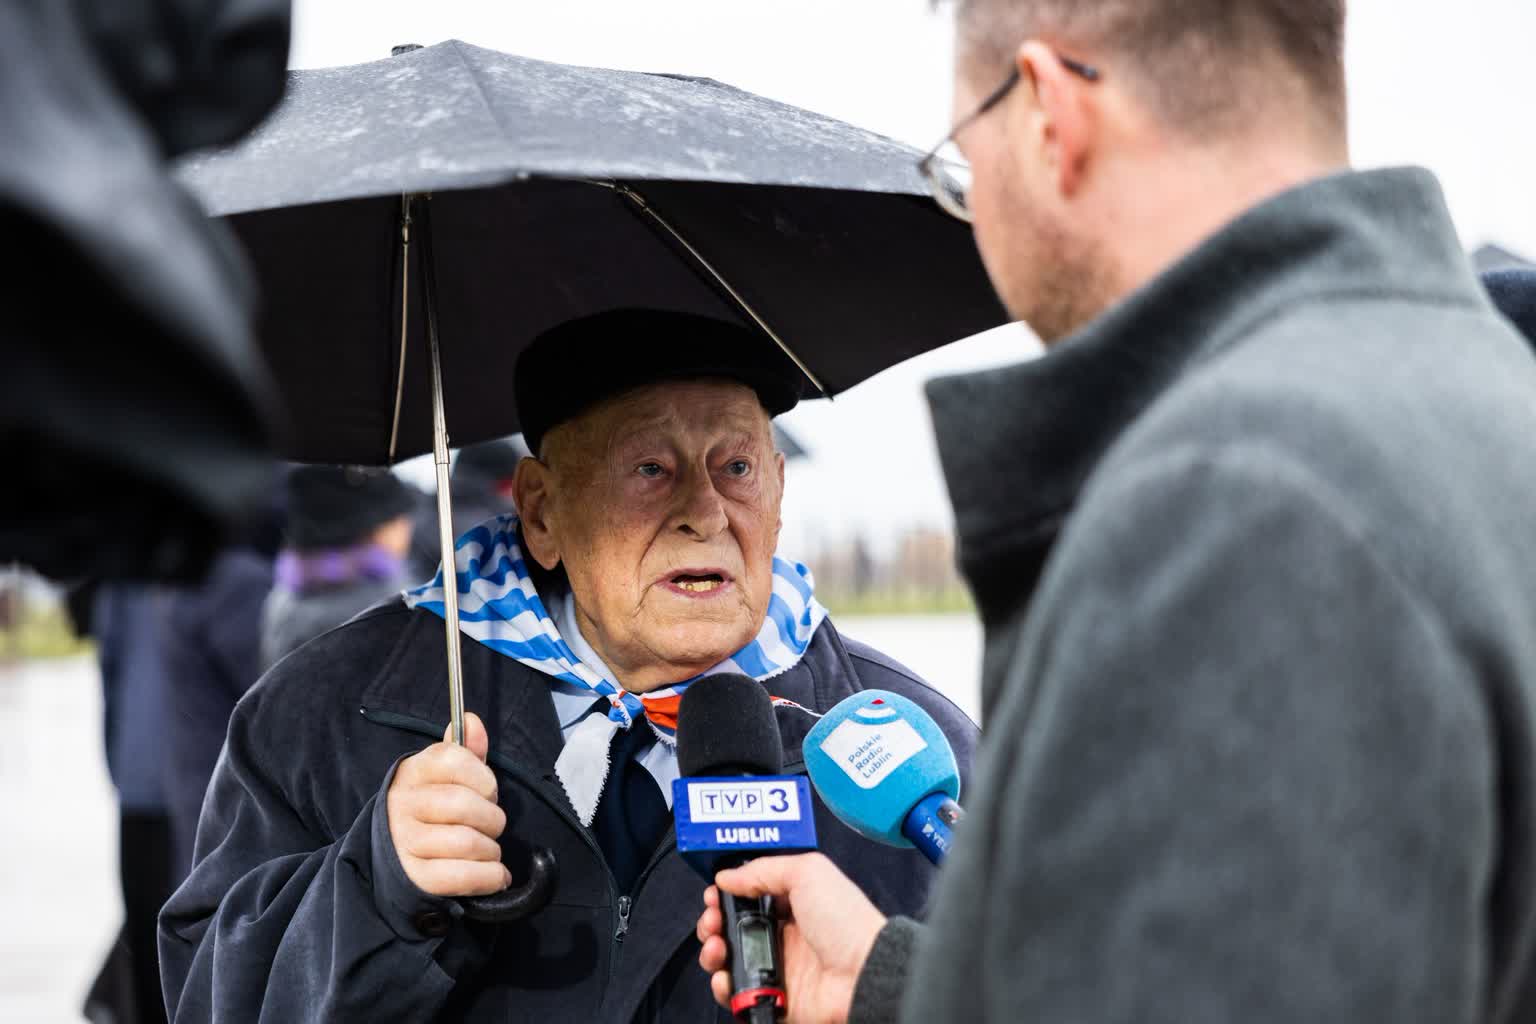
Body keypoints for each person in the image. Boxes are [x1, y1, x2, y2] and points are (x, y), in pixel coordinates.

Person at [697, 2, 1536, 1022]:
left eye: (959, 156)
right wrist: (895, 986)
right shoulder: (1480, 397)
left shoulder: (1235, 504)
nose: (973, 207)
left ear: (1049, 111)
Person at [159, 308, 977, 1022]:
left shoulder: (912, 750)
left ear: (777, 490)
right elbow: (206, 995)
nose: (704, 512)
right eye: (650, 470)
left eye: (735, 468)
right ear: (542, 511)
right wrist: (375, 888)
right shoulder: (326, 716)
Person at [259, 465, 418, 670]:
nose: (407, 529)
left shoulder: (285, 595)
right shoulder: (387, 606)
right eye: (399, 520)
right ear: (376, 529)